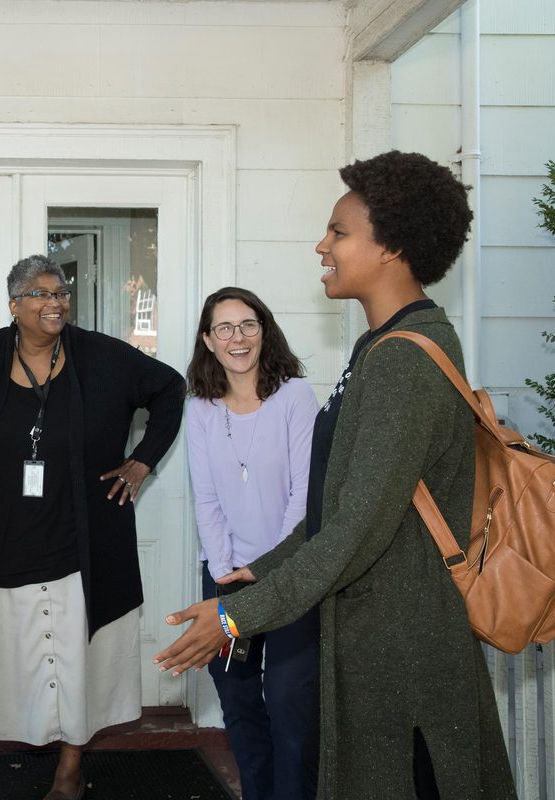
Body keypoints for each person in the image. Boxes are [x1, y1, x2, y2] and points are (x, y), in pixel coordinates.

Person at [154, 151, 516, 799]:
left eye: (339, 233)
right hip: (369, 640)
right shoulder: (378, 349)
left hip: (401, 654)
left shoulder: (403, 361)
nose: (322, 245)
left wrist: (237, 617)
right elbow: (338, 506)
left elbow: (354, 531)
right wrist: (261, 568)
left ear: (392, 248)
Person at [0, 255, 185, 800]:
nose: (55, 302)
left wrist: (143, 459)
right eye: (41, 293)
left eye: (61, 292)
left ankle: (69, 773)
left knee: (74, 661)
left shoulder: (101, 356)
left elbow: (170, 387)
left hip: (80, 540)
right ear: (15, 304)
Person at [185, 287, 320, 800]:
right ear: (208, 340)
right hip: (225, 576)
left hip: (289, 576)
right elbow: (207, 498)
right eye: (224, 328)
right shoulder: (199, 407)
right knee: (239, 704)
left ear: (265, 331)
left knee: (288, 701)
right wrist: (224, 571)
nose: (237, 338)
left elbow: (303, 495)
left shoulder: (294, 397)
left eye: (247, 325)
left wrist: (269, 569)